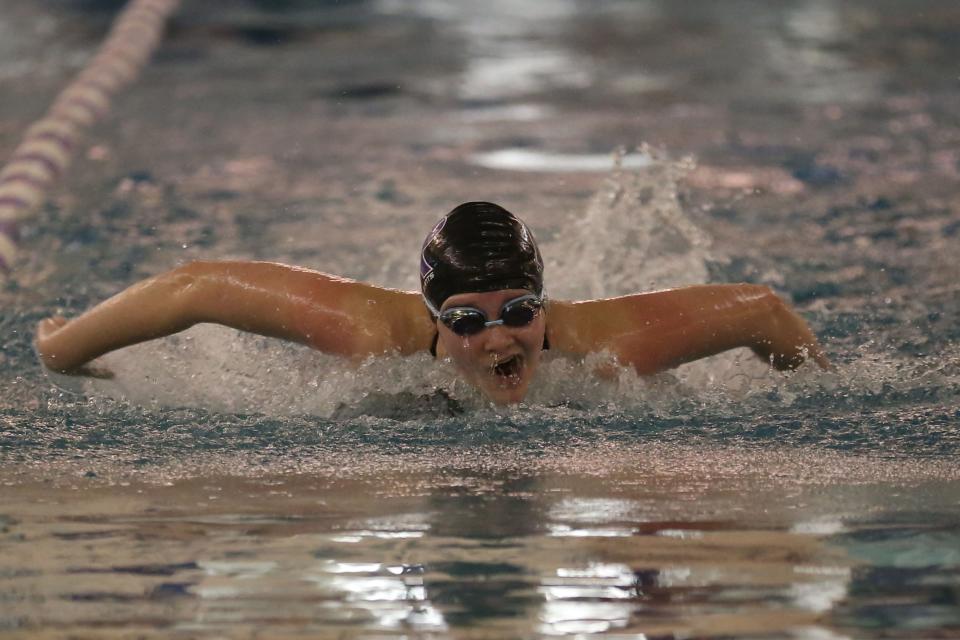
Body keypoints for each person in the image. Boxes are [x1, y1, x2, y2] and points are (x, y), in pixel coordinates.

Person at [35, 201, 830, 405]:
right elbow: (196, 285)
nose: (498, 341)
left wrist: (817, 395)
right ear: (432, 318)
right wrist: (63, 351)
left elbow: (760, 311)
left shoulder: (600, 347)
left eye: (519, 312)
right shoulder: (371, 333)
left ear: (545, 305)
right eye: (466, 321)